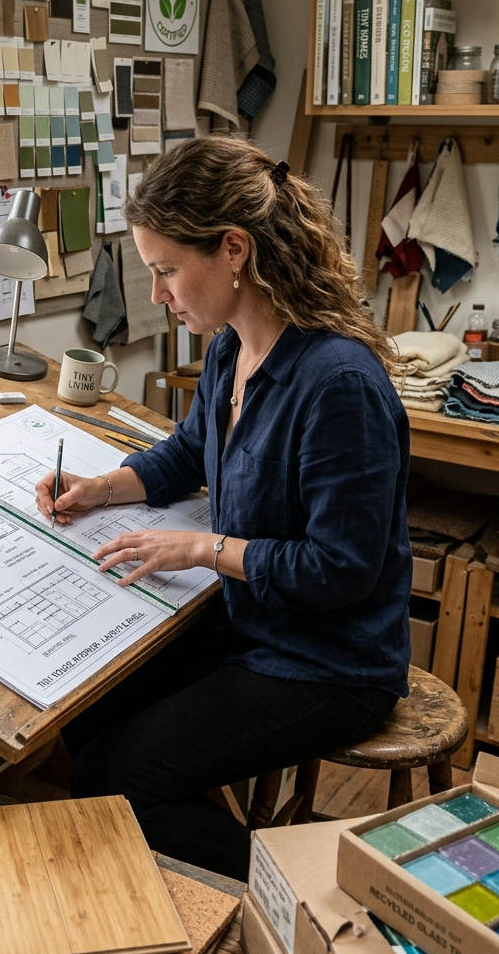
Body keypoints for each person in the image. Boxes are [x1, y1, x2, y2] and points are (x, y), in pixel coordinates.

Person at [34, 135, 412, 880]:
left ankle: (302, 895)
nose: (158, 295)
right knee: (84, 716)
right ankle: (184, 860)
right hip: (248, 620)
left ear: (234, 249)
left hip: (329, 662)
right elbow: (185, 455)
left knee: (110, 780)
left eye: (167, 270)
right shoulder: (229, 347)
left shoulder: (338, 384)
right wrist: (98, 487)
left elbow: (342, 569)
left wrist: (203, 550)